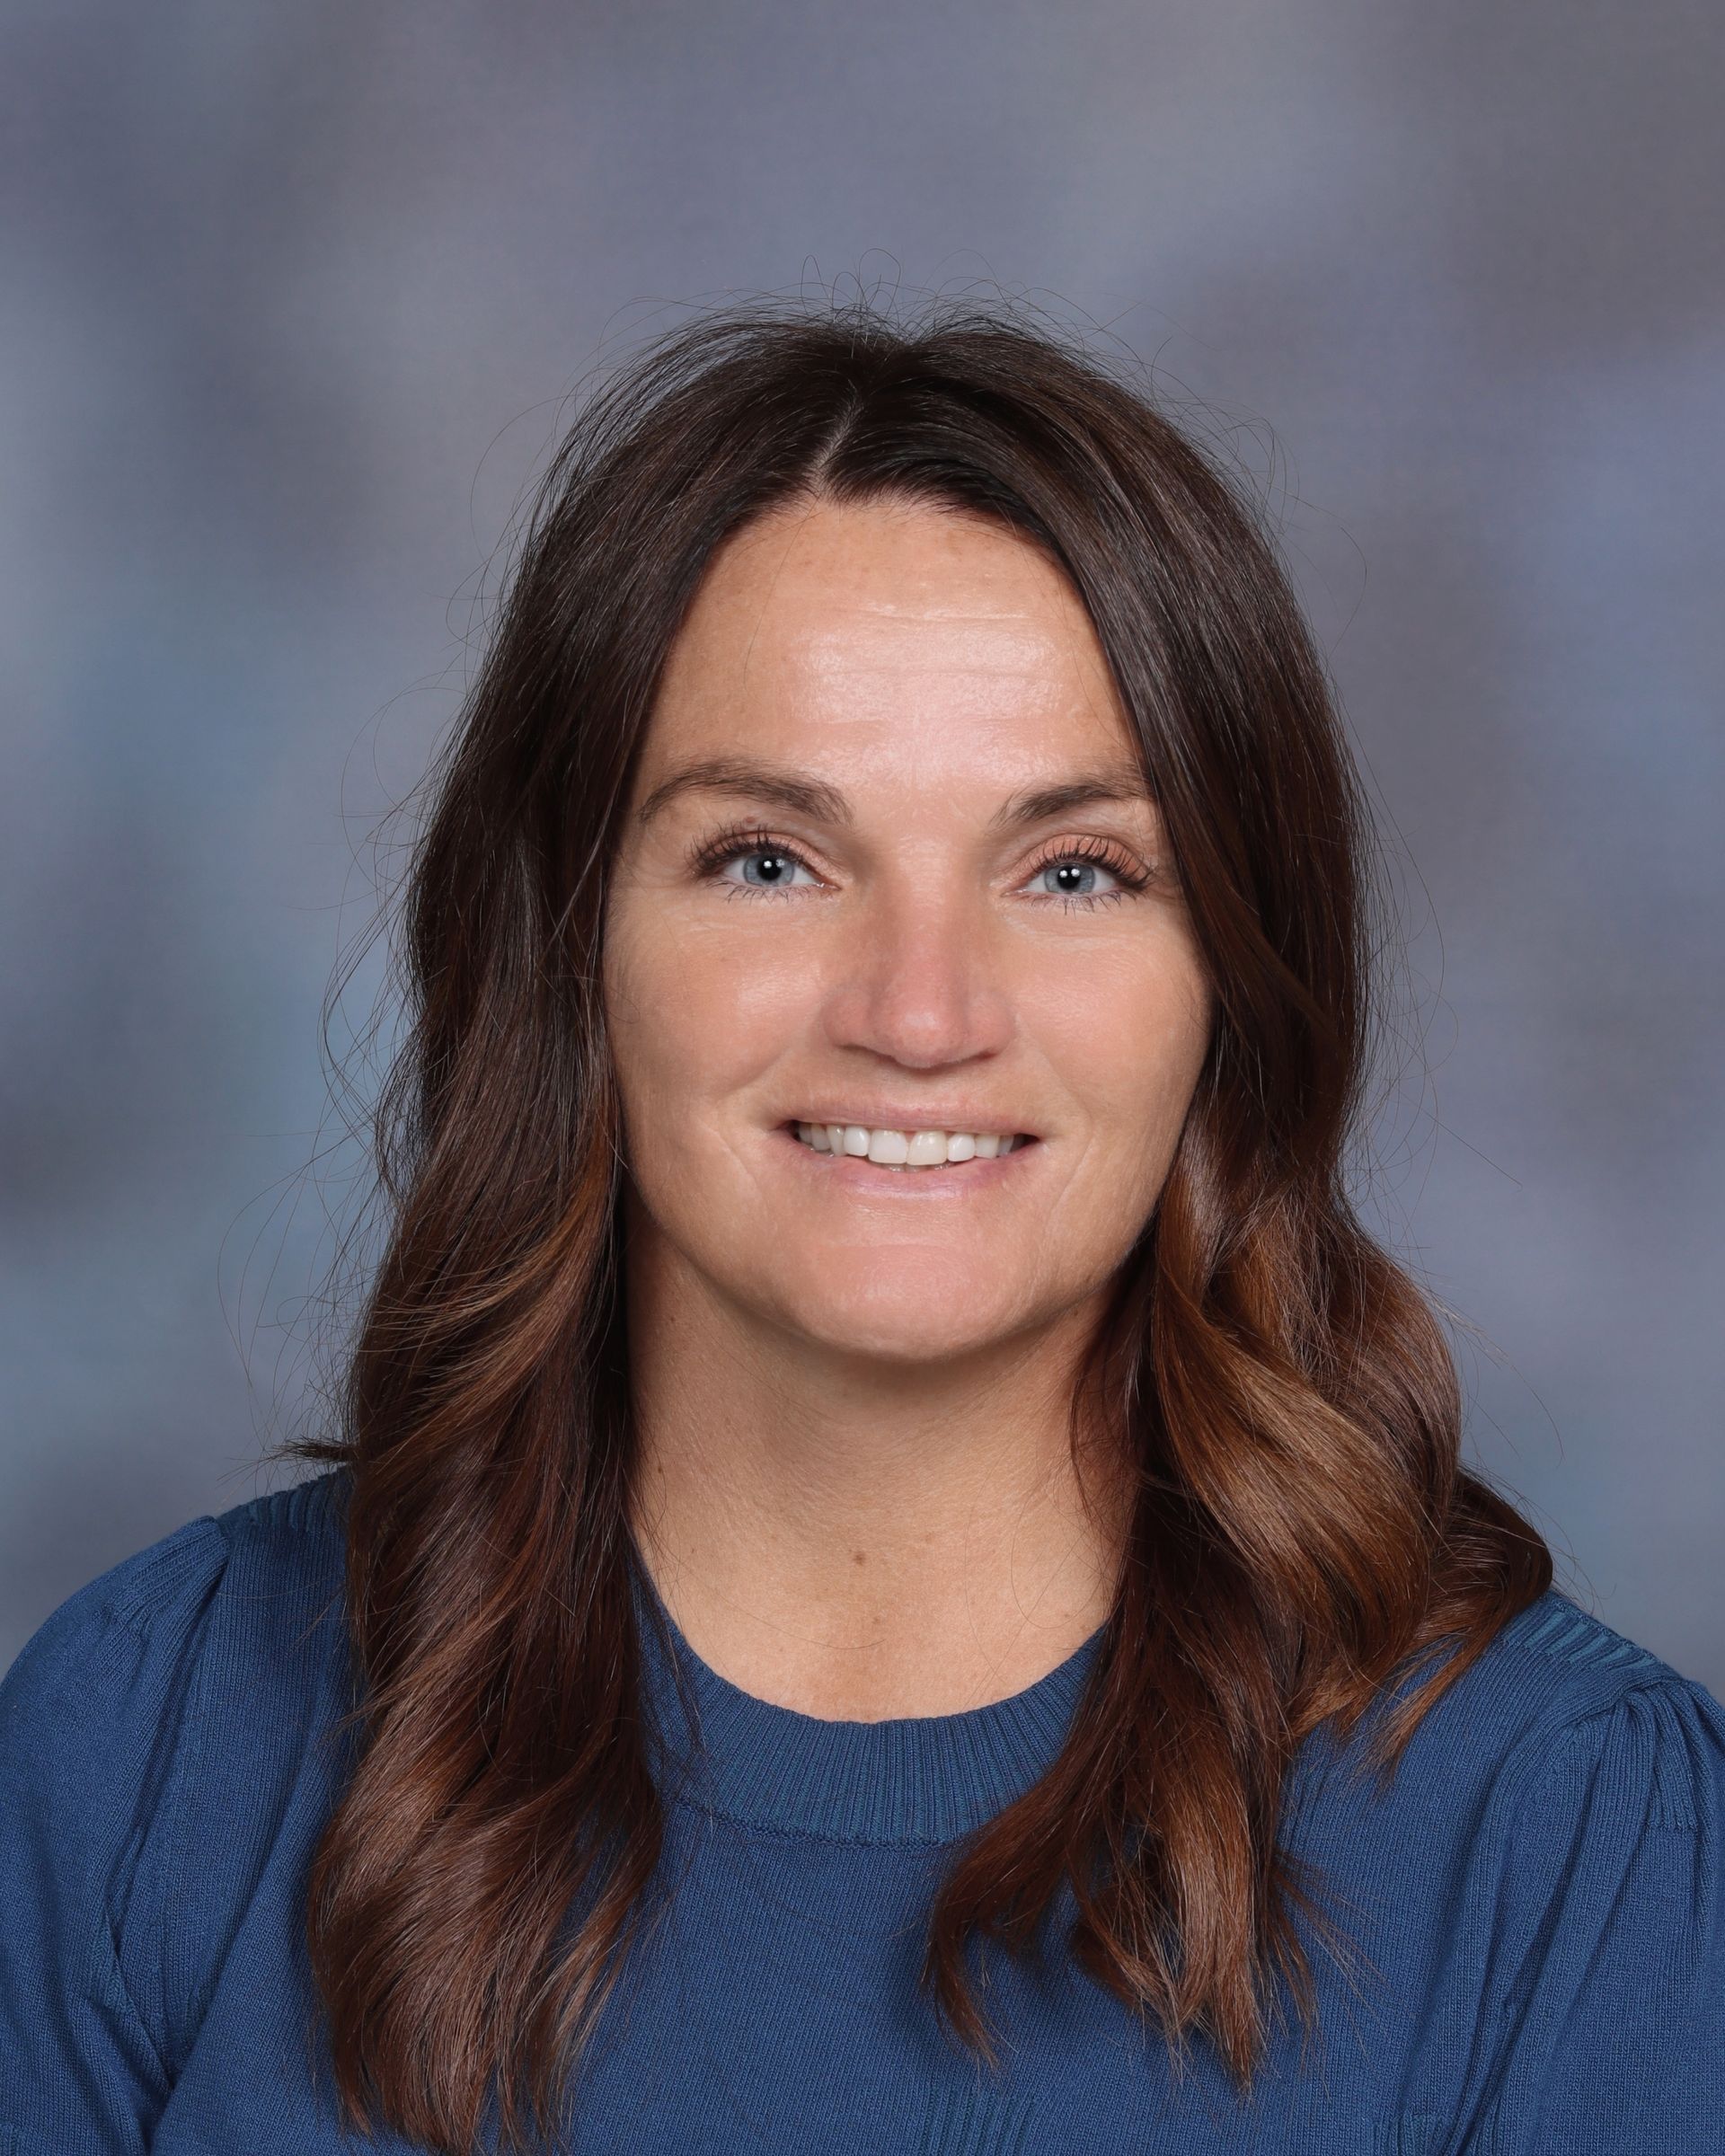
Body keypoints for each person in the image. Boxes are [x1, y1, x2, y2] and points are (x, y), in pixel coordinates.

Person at [2, 297, 1721, 2156]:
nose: (920, 1010)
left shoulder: (1563, 1835)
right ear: (569, 948)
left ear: (1233, 979)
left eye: (1075, 870)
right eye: (769, 860)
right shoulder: (152, 1740)